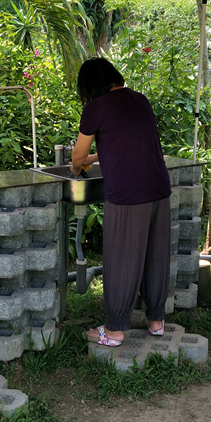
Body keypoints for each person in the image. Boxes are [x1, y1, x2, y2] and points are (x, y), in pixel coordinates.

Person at [70, 57, 172, 347]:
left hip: (127, 194)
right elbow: (126, 141)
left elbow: (77, 156)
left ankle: (114, 330)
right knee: (155, 254)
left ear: (89, 85)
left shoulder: (95, 108)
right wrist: (94, 158)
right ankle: (155, 320)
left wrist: (77, 168)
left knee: (121, 258)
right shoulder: (140, 100)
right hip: (158, 188)